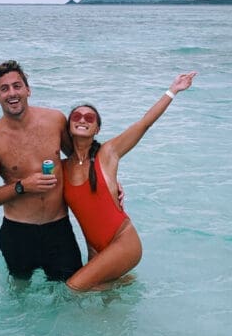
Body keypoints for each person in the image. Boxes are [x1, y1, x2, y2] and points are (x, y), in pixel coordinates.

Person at [62, 71, 197, 292]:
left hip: (123, 242)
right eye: (76, 117)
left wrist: (173, 90)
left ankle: (123, 283)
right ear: (68, 127)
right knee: (103, 311)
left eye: (90, 118)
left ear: (97, 129)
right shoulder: (61, 168)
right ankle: (124, 284)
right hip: (96, 250)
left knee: (73, 288)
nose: (83, 120)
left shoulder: (108, 154)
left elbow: (144, 124)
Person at [0, 60, 83, 282]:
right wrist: (22, 186)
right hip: (18, 233)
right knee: (20, 301)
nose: (12, 93)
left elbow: (79, 159)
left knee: (72, 295)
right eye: (4, 89)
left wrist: (108, 183)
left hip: (59, 229)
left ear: (28, 89)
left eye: (17, 86)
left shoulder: (55, 120)